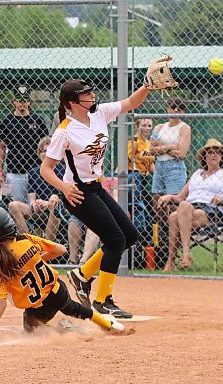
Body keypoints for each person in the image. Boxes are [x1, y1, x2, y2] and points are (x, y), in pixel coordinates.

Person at [41, 79, 151, 318]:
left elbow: (131, 102)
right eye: (86, 94)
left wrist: (147, 86)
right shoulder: (65, 131)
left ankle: (81, 275)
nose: (92, 97)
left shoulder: (100, 113)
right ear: (72, 102)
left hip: (97, 188)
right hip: (78, 193)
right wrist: (64, 187)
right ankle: (103, 300)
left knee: (129, 235)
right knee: (114, 239)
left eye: (91, 93)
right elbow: (46, 169)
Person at [0, 206, 124, 337]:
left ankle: (66, 331)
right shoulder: (25, 239)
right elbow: (61, 250)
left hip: (39, 310)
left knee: (31, 329)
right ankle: (107, 324)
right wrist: (36, 260)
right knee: (73, 308)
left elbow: (1, 304)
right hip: (58, 292)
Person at [157, 138, 223, 272]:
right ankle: (183, 256)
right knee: (177, 212)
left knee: (175, 215)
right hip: (189, 208)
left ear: (222, 156)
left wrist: (222, 198)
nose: (213, 155)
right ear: (204, 156)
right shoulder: (196, 174)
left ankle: (173, 260)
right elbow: (180, 197)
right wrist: (169, 196)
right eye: (210, 152)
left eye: (217, 152)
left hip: (212, 208)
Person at [149, 98, 192, 267]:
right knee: (159, 209)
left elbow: (181, 153)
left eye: (180, 108)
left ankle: (176, 254)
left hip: (175, 169)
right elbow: (151, 150)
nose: (175, 110)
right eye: (172, 106)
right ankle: (161, 248)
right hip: (159, 167)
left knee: (175, 208)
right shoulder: (159, 127)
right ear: (167, 108)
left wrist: (162, 145)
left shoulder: (184, 128)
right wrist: (169, 147)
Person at [0, 85, 48, 203]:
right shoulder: (6, 121)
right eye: (19, 100)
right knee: (16, 206)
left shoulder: (38, 120)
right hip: (15, 172)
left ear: (30, 102)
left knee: (36, 207)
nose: (22, 103)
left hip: (37, 172)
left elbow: (45, 146)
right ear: (14, 101)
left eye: (25, 100)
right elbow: (1, 148)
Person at [8, 136, 65, 240]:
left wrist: (48, 204)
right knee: (13, 205)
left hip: (57, 210)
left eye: (49, 151)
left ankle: (46, 247)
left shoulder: (64, 171)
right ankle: (29, 244)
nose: (46, 154)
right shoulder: (33, 172)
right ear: (39, 154)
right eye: (43, 151)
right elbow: (31, 197)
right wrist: (34, 204)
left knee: (54, 199)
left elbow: (65, 199)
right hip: (39, 211)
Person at [127, 118, 154, 201]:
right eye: (144, 125)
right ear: (137, 126)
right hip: (135, 176)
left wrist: (157, 175)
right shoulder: (134, 140)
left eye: (149, 126)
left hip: (144, 177)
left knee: (147, 201)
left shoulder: (148, 143)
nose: (147, 128)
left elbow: (150, 163)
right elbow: (128, 157)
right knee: (141, 201)